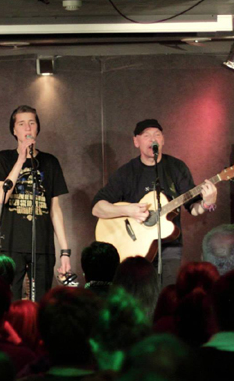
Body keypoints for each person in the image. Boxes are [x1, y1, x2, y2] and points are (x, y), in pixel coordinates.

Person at [92, 118, 217, 288]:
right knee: (139, 296)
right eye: (147, 135)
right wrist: (129, 210)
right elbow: (97, 208)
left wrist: (207, 203)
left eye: (157, 135)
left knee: (167, 294)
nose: (153, 139)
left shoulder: (176, 168)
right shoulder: (126, 173)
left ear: (163, 140)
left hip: (170, 247)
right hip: (136, 250)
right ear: (136, 141)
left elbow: (194, 208)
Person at [0, 105, 72, 301]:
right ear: (14, 130)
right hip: (12, 243)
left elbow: (55, 210)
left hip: (42, 245)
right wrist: (21, 160)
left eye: (31, 123)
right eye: (21, 124)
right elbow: (2, 197)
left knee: (42, 302)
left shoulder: (50, 162)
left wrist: (65, 251)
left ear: (37, 128)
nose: (27, 128)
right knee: (10, 301)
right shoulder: (4, 158)